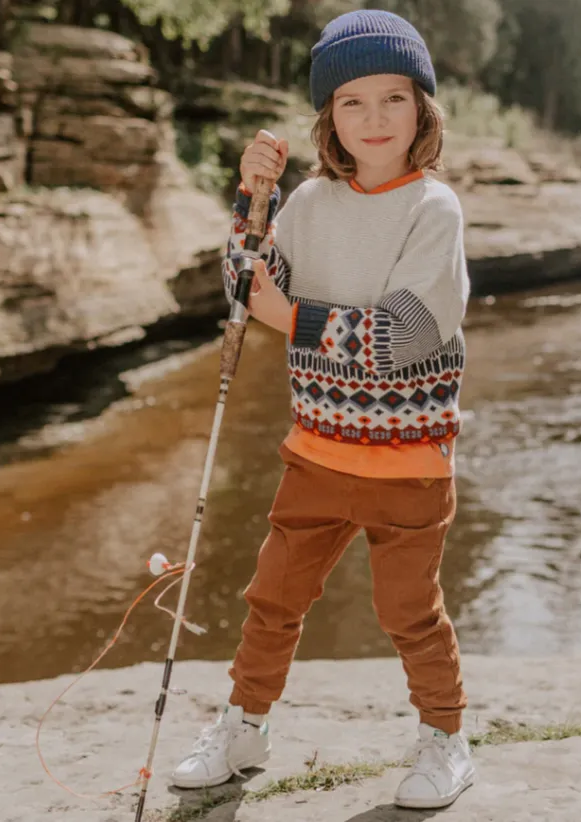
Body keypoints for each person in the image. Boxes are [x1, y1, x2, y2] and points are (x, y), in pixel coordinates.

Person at [171, 9, 473, 810]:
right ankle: (244, 727)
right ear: (328, 117)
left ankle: (445, 737)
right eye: (351, 102)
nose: (374, 119)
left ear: (422, 110)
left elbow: (406, 334)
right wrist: (252, 196)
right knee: (271, 601)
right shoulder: (306, 200)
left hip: (409, 465)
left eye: (392, 100)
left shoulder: (432, 210)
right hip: (315, 453)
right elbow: (244, 288)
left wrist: (292, 319)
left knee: (408, 612)